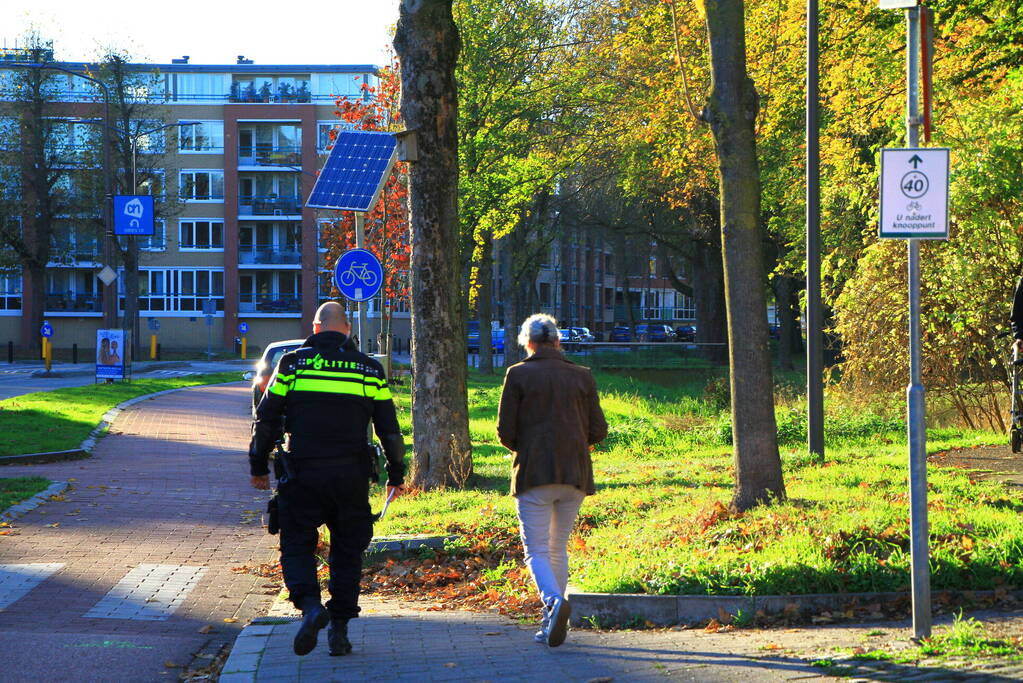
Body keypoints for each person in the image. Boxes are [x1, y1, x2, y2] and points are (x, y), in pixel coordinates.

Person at [249, 302, 407, 657]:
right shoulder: (369, 369)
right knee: (348, 552)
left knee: (296, 544)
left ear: (316, 328)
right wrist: (396, 474)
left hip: (302, 472)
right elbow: (388, 428)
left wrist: (257, 465)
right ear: (348, 329)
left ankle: (310, 608)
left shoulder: (292, 364)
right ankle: (340, 629)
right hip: (350, 475)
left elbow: (267, 418)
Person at [497, 313, 607, 647]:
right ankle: (552, 622)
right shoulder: (582, 376)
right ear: (558, 341)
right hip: (575, 473)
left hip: (534, 474)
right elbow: (599, 430)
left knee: (536, 550)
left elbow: (506, 432)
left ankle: (553, 602)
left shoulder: (517, 375)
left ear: (526, 343)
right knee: (558, 547)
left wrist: (529, 447)